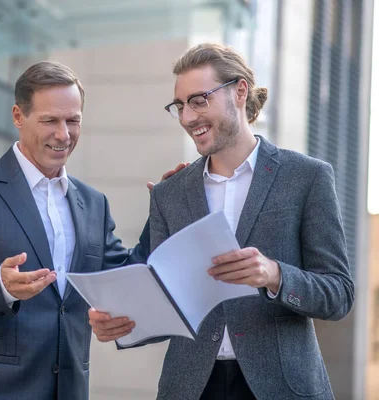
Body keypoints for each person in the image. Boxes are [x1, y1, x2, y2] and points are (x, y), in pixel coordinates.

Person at [88, 43, 355, 400]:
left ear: (239, 91)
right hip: (191, 388)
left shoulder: (307, 177)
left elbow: (338, 293)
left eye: (199, 100)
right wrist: (121, 324)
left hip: (282, 388)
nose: (187, 117)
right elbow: (164, 305)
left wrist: (274, 274)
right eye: (180, 106)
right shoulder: (170, 193)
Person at [0, 61, 183, 400]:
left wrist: (164, 210)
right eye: (50, 121)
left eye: (73, 120)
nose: (64, 134)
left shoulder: (93, 202)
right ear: (18, 116)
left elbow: (125, 278)